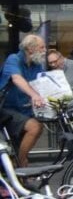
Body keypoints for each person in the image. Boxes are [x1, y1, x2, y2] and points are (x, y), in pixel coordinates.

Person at [0, 34, 47, 166]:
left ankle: (18, 170)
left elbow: (42, 83)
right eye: (41, 47)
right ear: (30, 49)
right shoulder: (13, 59)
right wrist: (34, 95)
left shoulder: (36, 64)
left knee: (35, 130)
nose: (44, 50)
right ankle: (22, 162)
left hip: (23, 109)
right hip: (6, 109)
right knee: (35, 127)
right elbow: (17, 79)